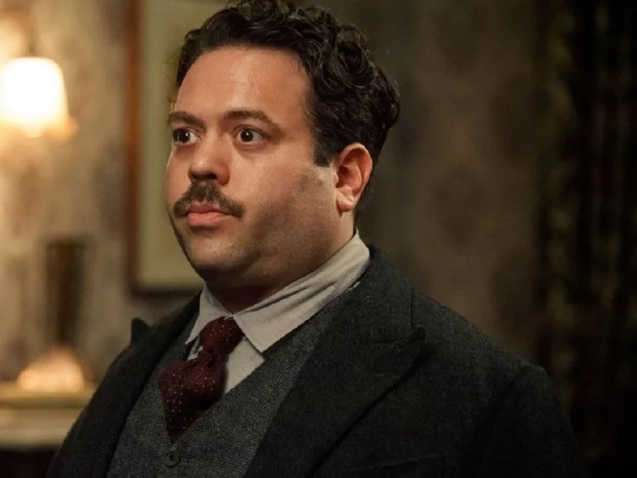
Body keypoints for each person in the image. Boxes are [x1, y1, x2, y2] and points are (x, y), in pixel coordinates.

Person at [48, 1, 584, 476]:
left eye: (248, 135)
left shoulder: (488, 398)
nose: (201, 164)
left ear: (346, 178)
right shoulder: (132, 369)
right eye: (185, 134)